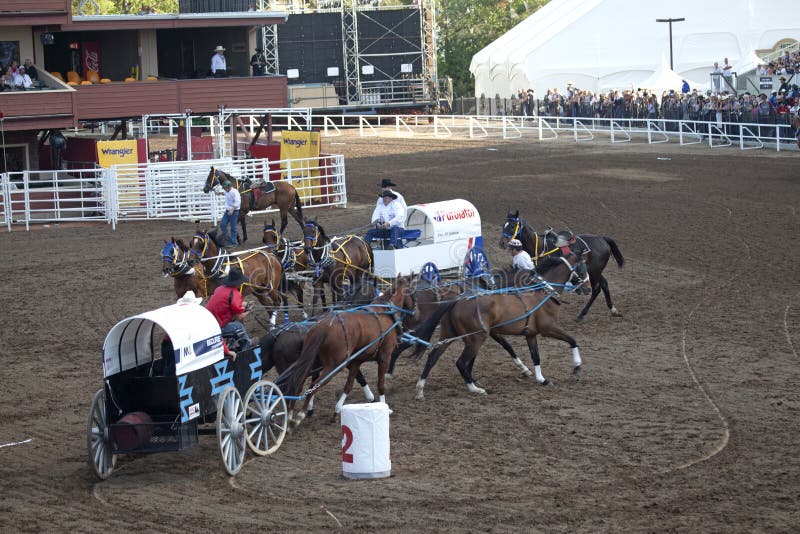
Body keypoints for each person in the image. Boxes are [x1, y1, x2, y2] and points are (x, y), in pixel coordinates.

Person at [205, 269, 252, 351]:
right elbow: (238, 317)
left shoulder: (219, 288)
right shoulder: (235, 294)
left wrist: (245, 304)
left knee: (232, 323)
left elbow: (229, 301)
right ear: (239, 283)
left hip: (209, 322)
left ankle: (232, 343)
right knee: (239, 326)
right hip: (216, 327)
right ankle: (246, 347)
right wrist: (248, 311)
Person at [217, 179, 241, 246]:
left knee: (233, 227)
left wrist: (232, 210)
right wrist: (218, 193)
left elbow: (238, 202)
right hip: (228, 211)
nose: (224, 189)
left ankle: (234, 243)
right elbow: (224, 193)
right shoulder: (227, 191)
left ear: (229, 187)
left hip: (234, 211)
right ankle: (229, 240)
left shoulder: (235, 192)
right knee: (223, 225)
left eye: (225, 188)